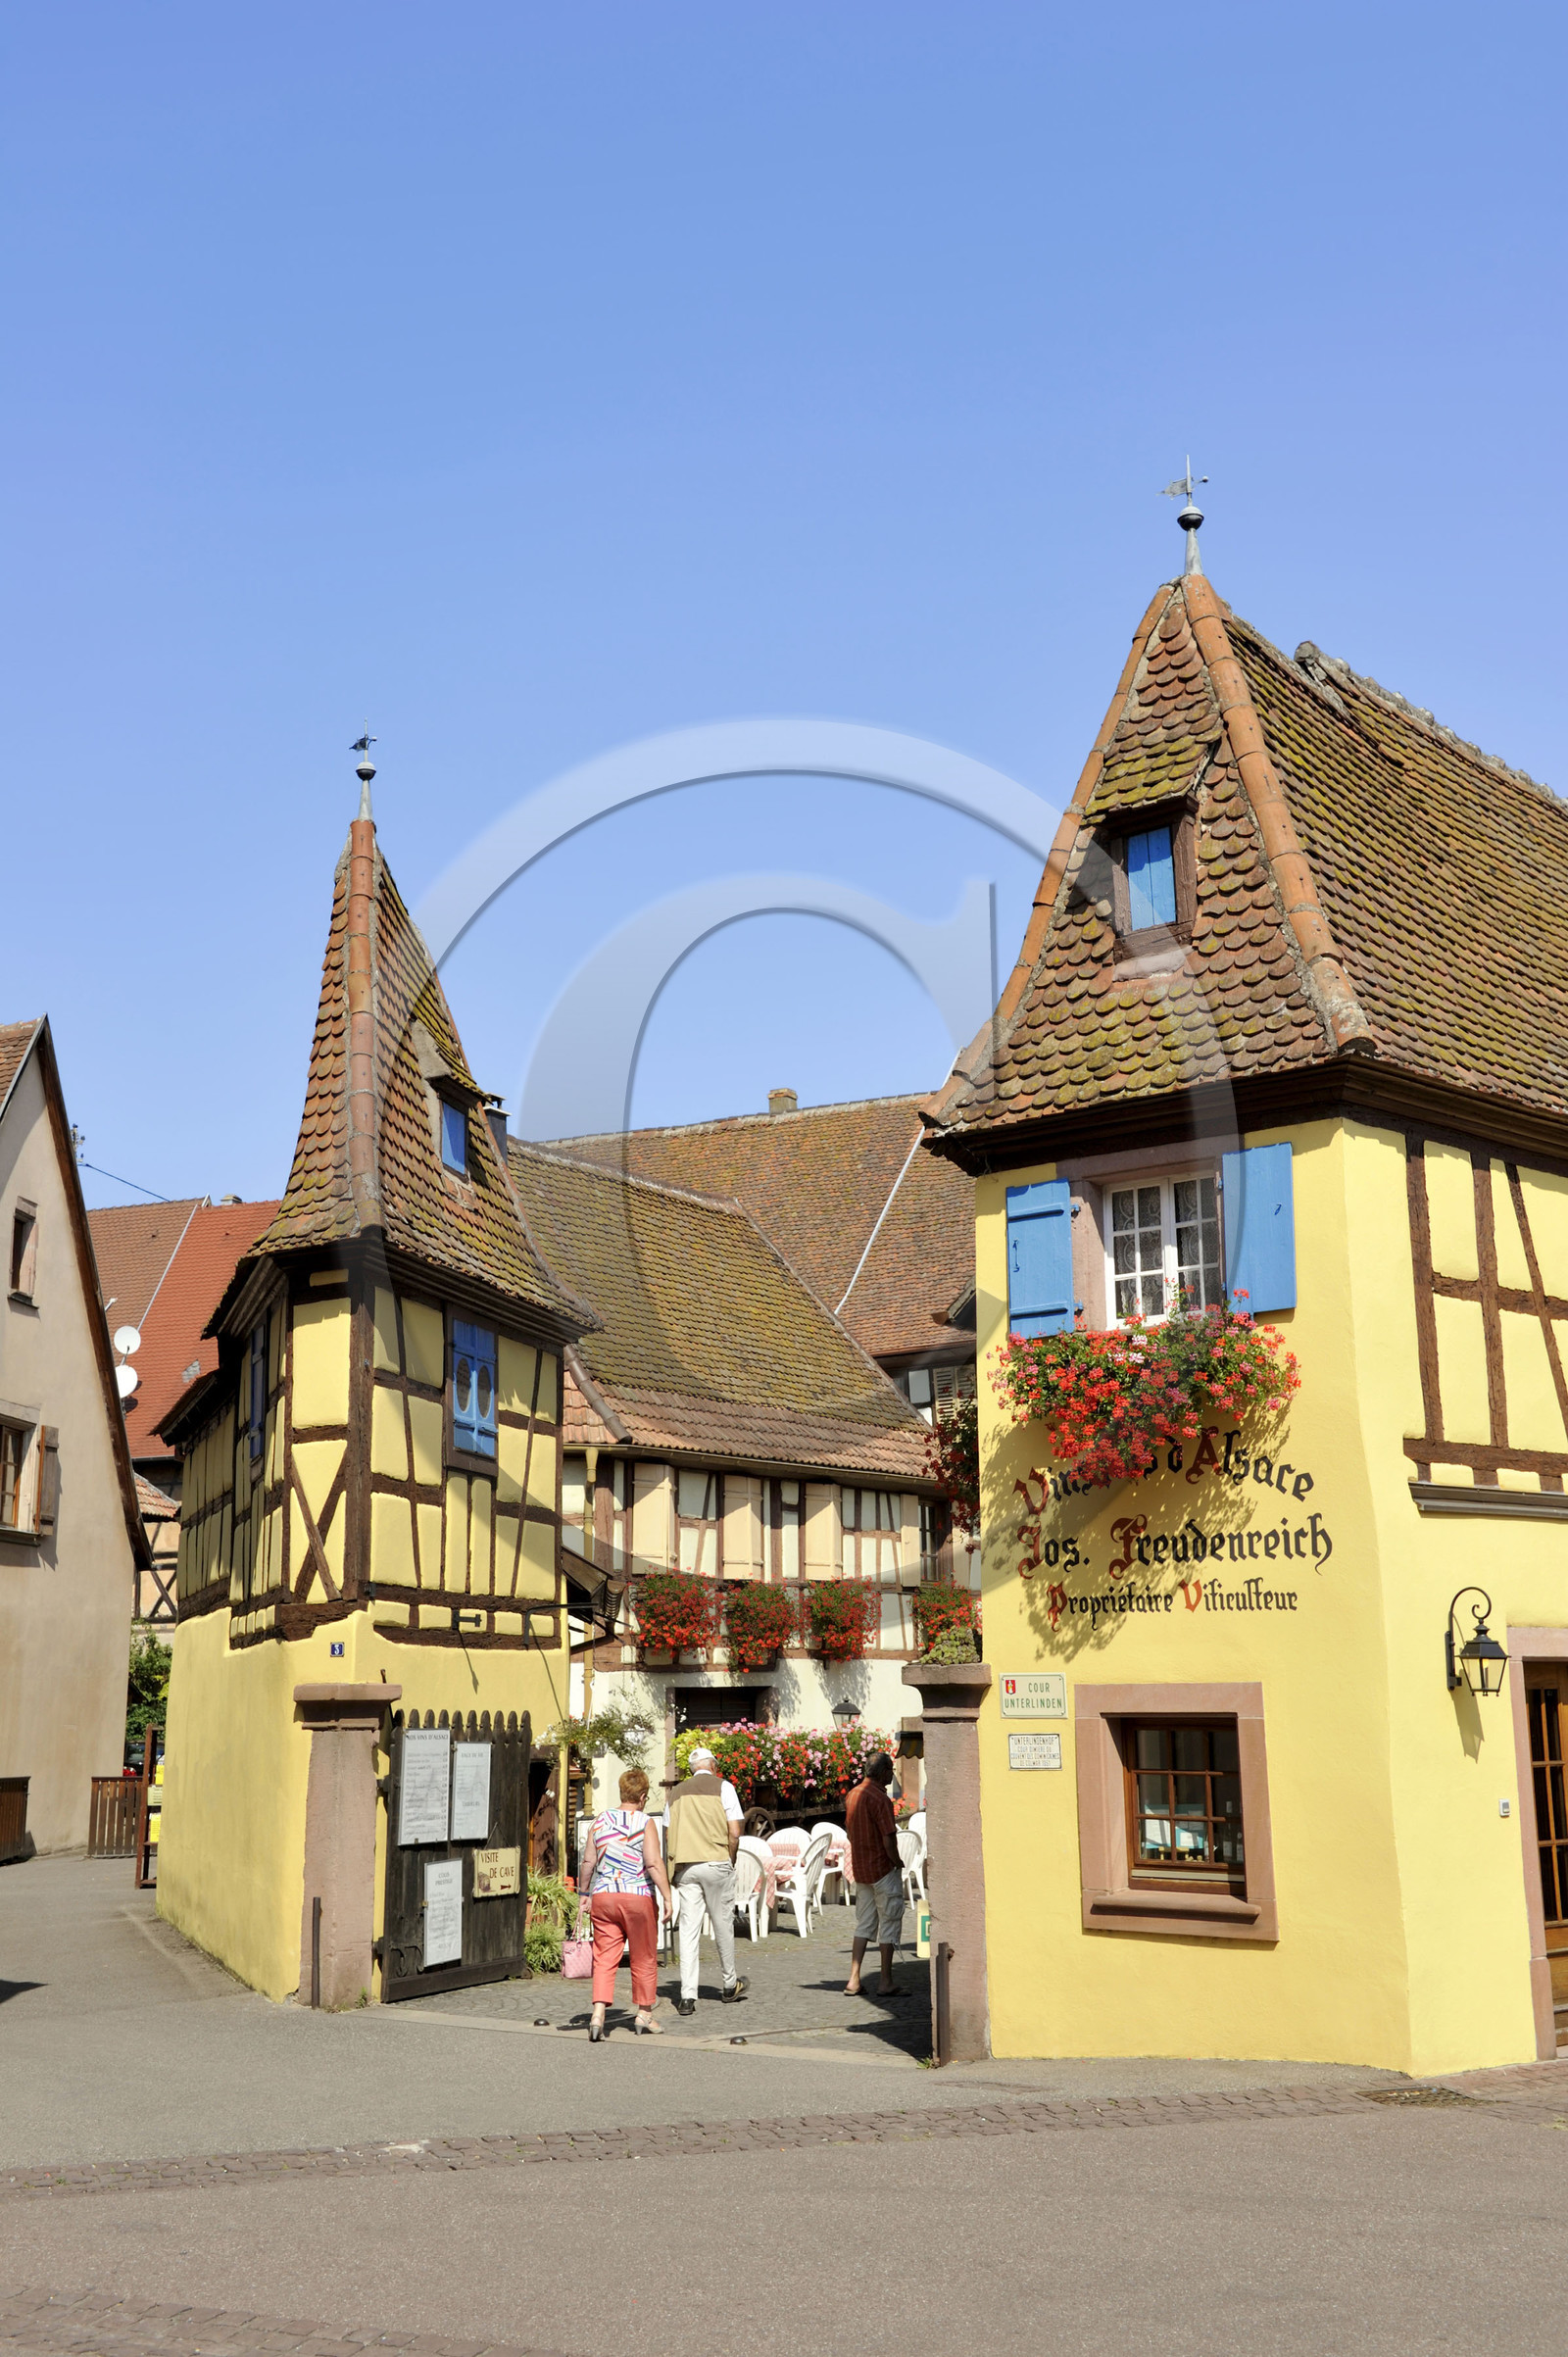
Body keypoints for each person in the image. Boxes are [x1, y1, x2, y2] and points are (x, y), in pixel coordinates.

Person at [575, 1767, 673, 2041]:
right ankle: (644, 2013)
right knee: (643, 1955)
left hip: (604, 1897)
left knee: (604, 1957)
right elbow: (653, 1863)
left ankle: (597, 2015)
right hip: (637, 1896)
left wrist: (584, 1893)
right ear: (642, 1796)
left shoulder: (601, 1819)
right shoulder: (644, 1822)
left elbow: (588, 1862)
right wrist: (667, 1896)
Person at [664, 1745, 750, 2015]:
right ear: (713, 1766)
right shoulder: (723, 1787)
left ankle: (687, 1997)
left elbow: (667, 1833)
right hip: (716, 1861)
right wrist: (730, 1859)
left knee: (688, 1931)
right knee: (722, 1924)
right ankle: (728, 1985)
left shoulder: (675, 1793)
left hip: (686, 1867)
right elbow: (735, 1831)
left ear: (691, 1769)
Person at [844, 1751, 903, 1996]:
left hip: (861, 1868)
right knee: (889, 1923)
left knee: (864, 1925)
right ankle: (885, 1981)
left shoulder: (853, 1794)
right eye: (891, 1770)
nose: (893, 1774)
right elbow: (888, 1838)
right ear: (883, 1772)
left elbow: (849, 1832)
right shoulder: (880, 1799)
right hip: (881, 1868)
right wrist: (897, 1861)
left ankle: (854, 1980)